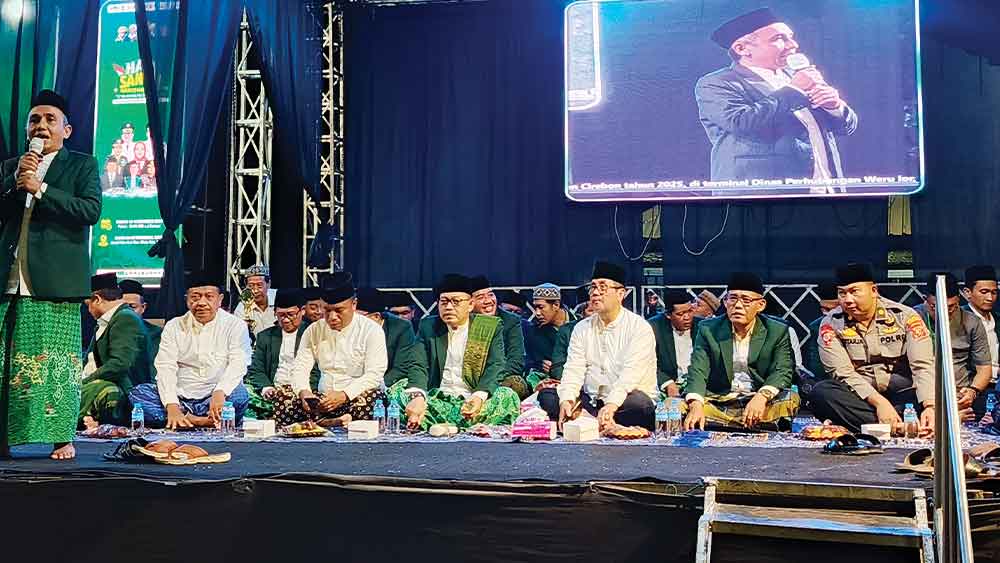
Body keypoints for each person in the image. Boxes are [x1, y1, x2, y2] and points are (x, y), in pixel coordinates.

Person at [0, 89, 101, 460]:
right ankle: (4, 437)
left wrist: (40, 188)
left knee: (56, 361)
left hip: (55, 282)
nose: (41, 126)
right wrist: (15, 181)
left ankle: (61, 437)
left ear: (66, 130)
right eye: (34, 120)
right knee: (4, 363)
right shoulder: (12, 166)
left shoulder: (82, 166)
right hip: (9, 278)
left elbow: (90, 210)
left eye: (49, 120)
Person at [695, 8, 858, 184]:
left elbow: (845, 128)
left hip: (824, 185)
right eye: (779, 38)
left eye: (791, 37)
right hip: (762, 190)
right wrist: (794, 90)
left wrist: (835, 107)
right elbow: (740, 122)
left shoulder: (799, 75)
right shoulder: (717, 82)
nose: (793, 45)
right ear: (742, 49)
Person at [810, 263, 935, 434]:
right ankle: (901, 426)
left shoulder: (905, 317)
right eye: (842, 293)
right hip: (863, 398)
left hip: (905, 396)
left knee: (940, 392)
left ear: (874, 291)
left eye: (854, 292)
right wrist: (879, 403)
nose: (847, 300)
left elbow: (922, 366)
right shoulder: (830, 324)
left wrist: (930, 406)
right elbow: (843, 373)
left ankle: (883, 425)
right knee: (821, 393)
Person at [387, 274, 521, 430]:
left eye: (456, 302)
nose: (449, 307)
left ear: (470, 304)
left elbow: (496, 365)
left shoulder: (489, 326)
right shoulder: (428, 326)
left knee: (507, 396)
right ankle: (462, 425)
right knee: (397, 391)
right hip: (436, 397)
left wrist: (479, 396)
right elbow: (418, 364)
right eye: (444, 302)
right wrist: (418, 397)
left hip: (474, 397)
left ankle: (436, 423)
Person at [539, 261, 658, 432]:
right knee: (548, 396)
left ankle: (588, 420)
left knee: (639, 404)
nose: (595, 292)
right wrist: (567, 400)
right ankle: (594, 419)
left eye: (603, 287)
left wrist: (611, 405)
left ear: (620, 294)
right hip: (592, 401)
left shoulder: (639, 328)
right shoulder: (581, 328)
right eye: (593, 287)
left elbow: (630, 375)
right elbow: (574, 368)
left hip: (626, 400)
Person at [129, 275, 252, 429]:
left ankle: (184, 421)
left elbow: (238, 363)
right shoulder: (174, 326)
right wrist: (171, 405)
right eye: (195, 297)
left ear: (220, 300)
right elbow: (166, 367)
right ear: (186, 299)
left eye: (209, 297)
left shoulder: (235, 325)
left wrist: (221, 391)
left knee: (240, 395)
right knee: (138, 394)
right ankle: (202, 421)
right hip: (181, 398)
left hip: (215, 398)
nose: (201, 303)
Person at [683, 273, 799, 431]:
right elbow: (698, 369)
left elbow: (783, 370)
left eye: (746, 300)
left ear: (761, 305)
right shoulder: (707, 329)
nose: (737, 305)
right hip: (719, 399)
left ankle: (723, 423)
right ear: (725, 302)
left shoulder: (777, 331)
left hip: (758, 398)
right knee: (674, 405)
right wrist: (696, 405)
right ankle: (752, 424)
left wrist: (762, 396)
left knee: (790, 399)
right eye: (732, 299)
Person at [276, 275, 388, 427]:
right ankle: (331, 422)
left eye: (339, 310)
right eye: (327, 310)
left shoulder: (371, 330)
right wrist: (304, 392)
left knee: (374, 400)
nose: (332, 317)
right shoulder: (314, 330)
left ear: (354, 304)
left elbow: (374, 374)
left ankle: (321, 423)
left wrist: (344, 395)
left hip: (356, 397)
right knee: (283, 396)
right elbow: (300, 367)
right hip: (324, 400)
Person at [915, 272, 992, 419]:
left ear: (958, 300)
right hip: (923, 394)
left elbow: (984, 369)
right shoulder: (913, 318)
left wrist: (972, 391)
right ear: (925, 300)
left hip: (960, 393)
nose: (944, 313)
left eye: (951, 307)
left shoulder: (972, 322)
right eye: (936, 307)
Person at [79, 273, 152, 428]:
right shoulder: (107, 321)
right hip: (94, 382)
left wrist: (83, 383)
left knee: (103, 390)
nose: (89, 310)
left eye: (88, 304)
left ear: (97, 299)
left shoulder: (126, 318)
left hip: (121, 391)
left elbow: (119, 364)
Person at [244, 289, 317, 420]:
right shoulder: (265, 336)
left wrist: (302, 390)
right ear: (275, 313)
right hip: (274, 391)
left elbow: (317, 371)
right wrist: (267, 388)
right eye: (281, 315)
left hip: (303, 391)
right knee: (243, 394)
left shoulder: (313, 333)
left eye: (290, 314)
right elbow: (256, 369)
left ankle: (279, 414)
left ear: (302, 311)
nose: (286, 319)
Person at [469, 276, 528, 398]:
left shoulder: (511, 321)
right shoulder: (464, 321)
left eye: (491, 295)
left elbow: (516, 361)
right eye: (480, 297)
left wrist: (489, 381)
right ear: (469, 304)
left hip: (500, 377)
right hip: (469, 377)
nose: (488, 301)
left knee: (515, 384)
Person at [355, 287, 417, 388]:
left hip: (383, 384)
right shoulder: (347, 326)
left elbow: (401, 368)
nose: (353, 321)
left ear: (376, 317)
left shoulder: (402, 327)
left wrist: (371, 387)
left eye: (357, 317)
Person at [648, 289, 702, 398]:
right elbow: (648, 362)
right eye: (680, 314)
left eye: (690, 311)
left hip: (698, 384)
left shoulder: (702, 326)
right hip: (667, 385)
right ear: (668, 315)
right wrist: (667, 383)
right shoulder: (653, 327)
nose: (687, 317)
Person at [524, 283, 575, 385]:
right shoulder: (534, 334)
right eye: (535, 308)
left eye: (541, 307)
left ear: (556, 305)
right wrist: (539, 365)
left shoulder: (580, 326)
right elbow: (528, 363)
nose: (537, 313)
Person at [963, 265, 999, 388]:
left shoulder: (997, 319)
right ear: (967, 292)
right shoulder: (960, 320)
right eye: (984, 292)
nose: (990, 298)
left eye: (994, 292)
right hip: (972, 384)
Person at [801, 280, 840, 387]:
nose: (826, 313)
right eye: (823, 309)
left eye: (832, 309)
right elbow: (815, 362)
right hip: (830, 380)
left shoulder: (857, 321)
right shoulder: (816, 326)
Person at [118, 279, 163, 361]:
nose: (127, 312)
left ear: (143, 307)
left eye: (132, 307)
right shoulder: (106, 332)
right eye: (121, 307)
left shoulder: (157, 334)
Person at [233, 264, 277, 338]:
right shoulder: (242, 308)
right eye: (251, 286)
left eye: (259, 285)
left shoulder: (279, 298)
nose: (255, 291)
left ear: (268, 284)